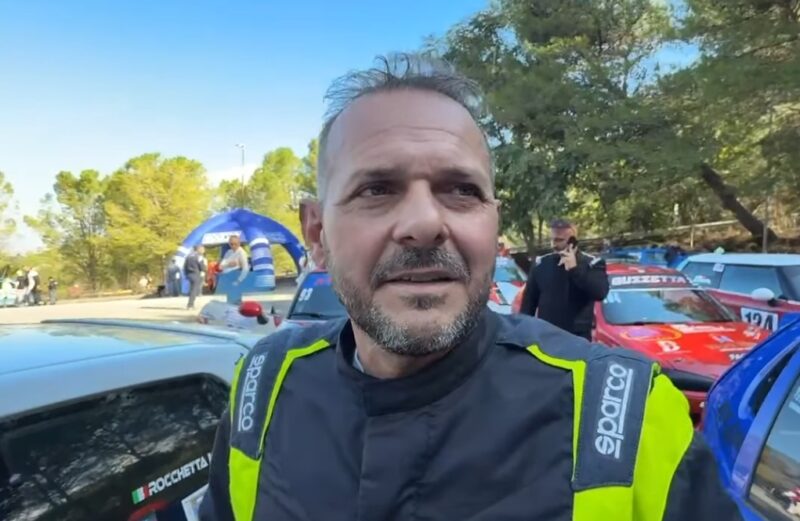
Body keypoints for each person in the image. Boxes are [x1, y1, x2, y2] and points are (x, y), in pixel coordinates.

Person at [198, 53, 742, 521]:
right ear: (317, 233)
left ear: (493, 224)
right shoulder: (262, 388)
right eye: (377, 189)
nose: (425, 223)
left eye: (461, 190)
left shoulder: (627, 417)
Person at [519, 219, 609, 340]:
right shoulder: (541, 264)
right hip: (547, 336)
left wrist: (575, 270)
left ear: (573, 241)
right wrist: (524, 335)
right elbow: (528, 304)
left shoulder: (591, 263)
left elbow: (600, 293)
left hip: (577, 338)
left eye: (559, 240)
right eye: (552, 240)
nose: (553, 245)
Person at [219, 235, 249, 303]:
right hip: (227, 278)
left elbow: (245, 269)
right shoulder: (228, 252)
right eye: (231, 244)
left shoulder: (242, 253)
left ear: (239, 243)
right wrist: (228, 265)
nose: (233, 246)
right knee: (230, 301)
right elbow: (220, 266)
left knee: (236, 301)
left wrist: (238, 280)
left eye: (235, 244)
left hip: (235, 278)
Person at [184, 245, 205, 309]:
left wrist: (186, 274)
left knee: (192, 288)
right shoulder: (199, 257)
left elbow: (185, 266)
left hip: (189, 274)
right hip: (196, 274)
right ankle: (190, 304)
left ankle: (190, 303)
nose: (203, 251)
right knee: (194, 290)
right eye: (202, 249)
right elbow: (202, 267)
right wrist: (203, 270)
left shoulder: (188, 256)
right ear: (198, 249)